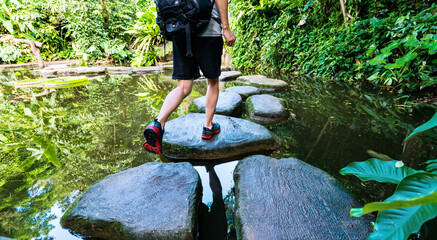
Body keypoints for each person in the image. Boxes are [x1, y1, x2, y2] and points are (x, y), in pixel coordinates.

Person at [143, 0, 237, 155]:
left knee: (183, 87)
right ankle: (208, 127)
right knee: (213, 82)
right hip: (209, 31)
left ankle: (158, 123)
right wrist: (226, 29)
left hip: (180, 30)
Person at [197, 166, 227, 240]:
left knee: (218, 197)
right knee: (218, 197)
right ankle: (210, 168)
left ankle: (210, 168)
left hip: (214, 234)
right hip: (217, 234)